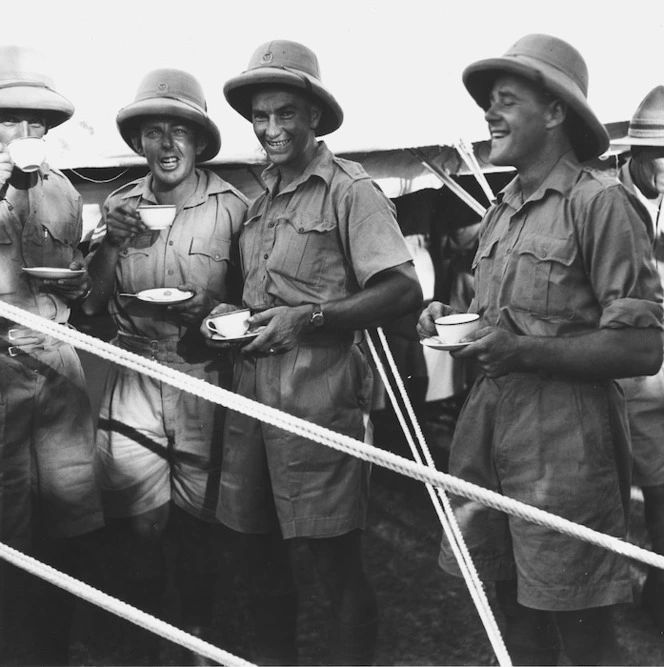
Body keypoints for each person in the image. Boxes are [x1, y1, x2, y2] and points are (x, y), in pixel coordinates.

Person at [417, 34, 663, 665]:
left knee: (581, 629)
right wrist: (452, 318)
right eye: (488, 103)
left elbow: (640, 347)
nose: (489, 115)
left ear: (555, 112)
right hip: (492, 431)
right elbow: (509, 320)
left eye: (505, 100)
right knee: (512, 620)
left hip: (568, 449)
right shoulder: (504, 208)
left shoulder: (598, 203)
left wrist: (522, 351)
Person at [201, 39, 422, 665]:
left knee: (334, 565)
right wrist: (230, 316)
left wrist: (311, 318)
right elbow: (261, 296)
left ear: (315, 116)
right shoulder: (261, 201)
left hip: (319, 401)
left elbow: (404, 288)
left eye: (286, 114)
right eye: (261, 116)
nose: (271, 129)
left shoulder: (349, 190)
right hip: (252, 399)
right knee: (257, 554)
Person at [83, 68, 248, 664]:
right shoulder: (120, 206)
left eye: (180, 131)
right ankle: (151, 642)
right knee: (140, 527)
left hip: (204, 378)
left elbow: (252, 306)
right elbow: (93, 304)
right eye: (154, 132)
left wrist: (217, 310)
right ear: (140, 144)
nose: (168, 145)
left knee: (201, 527)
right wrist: (110, 245)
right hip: (133, 375)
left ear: (200, 141)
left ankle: (199, 638)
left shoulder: (234, 208)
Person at [0, 46, 104, 665]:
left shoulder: (64, 192)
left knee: (72, 507)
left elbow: (76, 278)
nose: (23, 134)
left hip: (58, 363)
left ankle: (57, 642)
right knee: (7, 516)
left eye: (36, 124)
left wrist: (78, 282)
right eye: (10, 120)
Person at [611, 85, 664, 629]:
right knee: (624, 497)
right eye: (661, 155)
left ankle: (657, 595)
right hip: (625, 378)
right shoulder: (606, 201)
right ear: (635, 152)